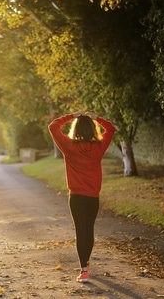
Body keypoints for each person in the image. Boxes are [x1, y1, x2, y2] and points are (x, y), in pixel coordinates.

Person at [48, 110, 116, 283]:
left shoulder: (69, 147)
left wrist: (72, 115)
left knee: (81, 231)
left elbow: (53, 126)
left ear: (75, 129)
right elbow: (111, 129)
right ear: (93, 129)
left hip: (76, 197)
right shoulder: (99, 147)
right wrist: (97, 118)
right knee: (89, 229)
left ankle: (84, 270)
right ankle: (86, 264)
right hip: (93, 197)